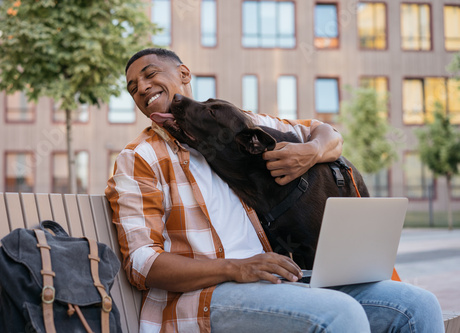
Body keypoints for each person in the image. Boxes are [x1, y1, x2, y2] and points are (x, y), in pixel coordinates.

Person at [106, 48, 444, 333]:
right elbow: (142, 264)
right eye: (133, 87)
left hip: (274, 284)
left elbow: (324, 133)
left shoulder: (234, 123)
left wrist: (311, 151)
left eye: (150, 74)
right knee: (340, 313)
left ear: (183, 74)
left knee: (417, 304)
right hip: (203, 299)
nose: (143, 88)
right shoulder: (140, 158)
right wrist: (236, 267)